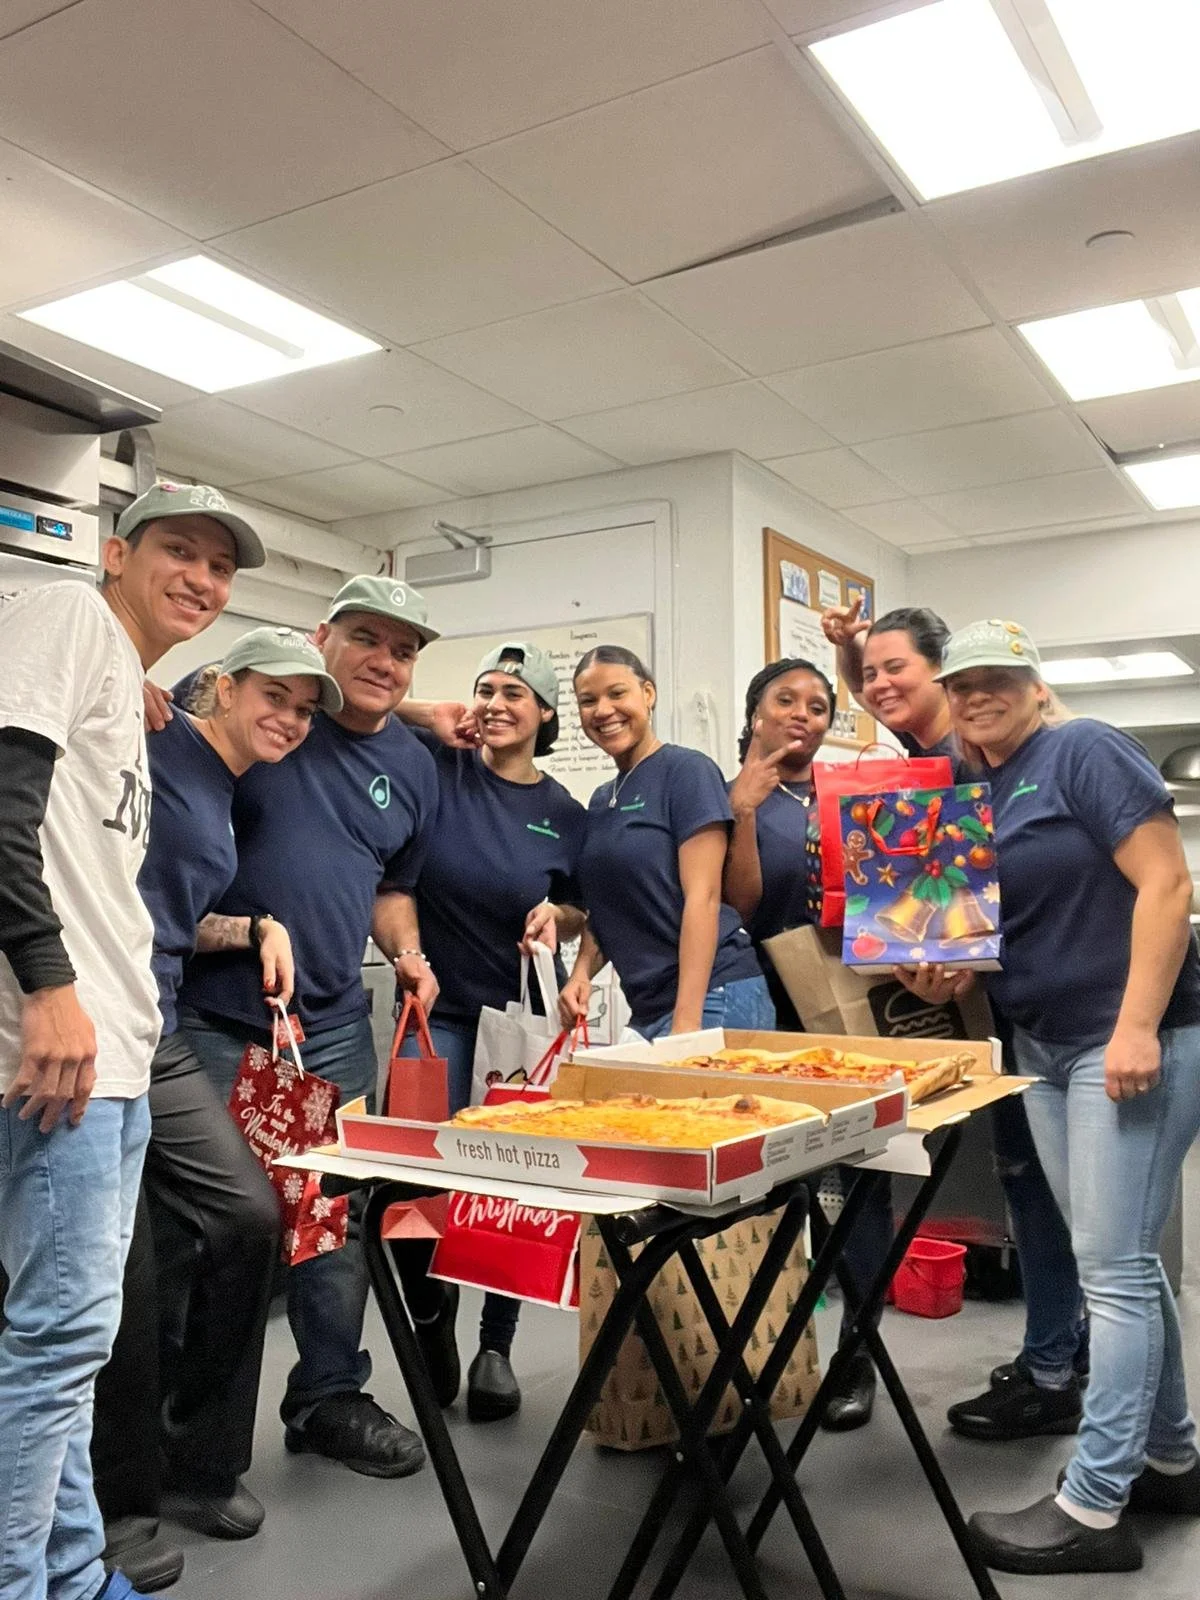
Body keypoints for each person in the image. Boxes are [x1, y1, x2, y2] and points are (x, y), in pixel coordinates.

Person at [0, 481, 265, 1600]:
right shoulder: (62, 615)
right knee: (56, 1345)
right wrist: (48, 989)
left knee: (76, 1345)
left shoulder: (122, 675)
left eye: (220, 566)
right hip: (63, 1045)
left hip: (117, 1044)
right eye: (178, 551)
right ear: (117, 552)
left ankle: (68, 1567)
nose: (199, 579)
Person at [903, 619, 1200, 1576]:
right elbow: (1011, 925)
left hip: (1132, 1041)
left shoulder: (1083, 751)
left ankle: (1095, 1504)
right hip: (1044, 1042)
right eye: (965, 682)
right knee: (1120, 1263)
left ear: (1036, 686)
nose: (980, 692)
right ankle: (1173, 1457)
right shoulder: (977, 793)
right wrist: (947, 972)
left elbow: (1166, 884)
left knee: (1110, 1271)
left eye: (1000, 677)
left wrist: (1136, 1027)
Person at [168, 576, 444, 1479]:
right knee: (219, 1226)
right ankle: (180, 1426)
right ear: (321, 636)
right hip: (216, 1018)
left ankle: (327, 1397)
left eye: (403, 651)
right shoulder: (273, 710)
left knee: (329, 1218)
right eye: (366, 638)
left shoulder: (410, 765)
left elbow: (393, 885)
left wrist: (406, 953)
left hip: (326, 1025)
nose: (383, 662)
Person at [93, 624, 342, 1592]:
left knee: (248, 1215)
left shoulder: (226, 785)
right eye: (273, 696)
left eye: (304, 707)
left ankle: (197, 1459)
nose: (288, 718)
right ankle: (120, 1501)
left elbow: (168, 913)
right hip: (96, 1025)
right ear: (222, 687)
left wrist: (256, 924)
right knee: (131, 1268)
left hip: (153, 1027)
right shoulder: (155, 744)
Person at [820, 600, 1088, 1438]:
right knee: (1027, 1180)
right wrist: (851, 652)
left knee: (1037, 1186)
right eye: (871, 676)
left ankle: (1055, 1367)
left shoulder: (975, 759)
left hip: (1038, 1010)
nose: (880, 686)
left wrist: (943, 944)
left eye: (900, 668)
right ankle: (1059, 1351)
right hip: (993, 999)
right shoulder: (919, 762)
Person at [396, 640, 587, 1421]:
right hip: (436, 1017)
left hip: (520, 1025)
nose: (499, 703)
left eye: (517, 693)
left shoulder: (564, 814)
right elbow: (353, 705)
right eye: (486, 690)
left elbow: (586, 908)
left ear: (545, 715)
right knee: (415, 1180)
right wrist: (441, 713)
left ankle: (495, 1348)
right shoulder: (439, 769)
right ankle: (431, 1315)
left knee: (513, 1186)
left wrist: (561, 916)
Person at [559, 646, 772, 1039]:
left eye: (617, 693)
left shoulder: (686, 772)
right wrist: (581, 974)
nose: (603, 710)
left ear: (649, 694)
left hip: (714, 995)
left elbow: (704, 898)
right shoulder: (602, 798)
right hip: (651, 1006)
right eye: (588, 701)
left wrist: (687, 1025)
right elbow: (610, 907)